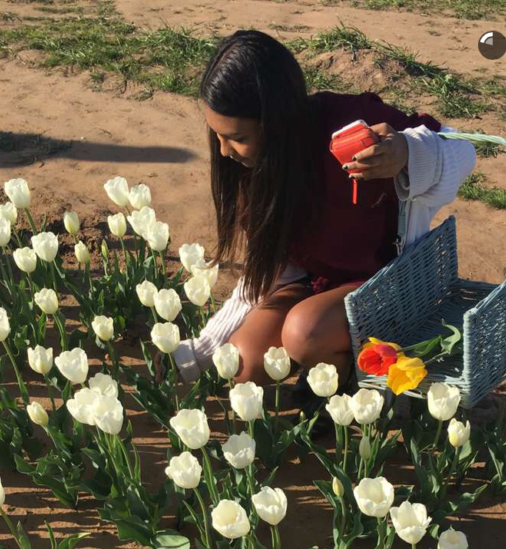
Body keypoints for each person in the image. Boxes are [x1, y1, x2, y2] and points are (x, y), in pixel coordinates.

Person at [173, 29, 476, 390]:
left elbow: (463, 150)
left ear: (277, 121)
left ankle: (349, 378)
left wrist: (406, 152)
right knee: (245, 363)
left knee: (304, 332)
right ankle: (325, 362)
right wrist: (201, 351)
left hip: (388, 282)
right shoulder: (254, 169)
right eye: (217, 136)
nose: (224, 152)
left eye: (237, 138)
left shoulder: (346, 126)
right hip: (315, 286)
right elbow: (262, 277)